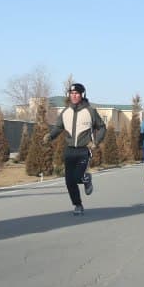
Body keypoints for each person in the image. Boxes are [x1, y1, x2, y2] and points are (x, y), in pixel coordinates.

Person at [47, 82, 106, 216]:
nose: (74, 96)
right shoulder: (65, 112)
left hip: (84, 150)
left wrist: (96, 142)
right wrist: (50, 136)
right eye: (72, 93)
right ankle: (78, 205)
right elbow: (58, 127)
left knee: (77, 176)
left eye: (77, 93)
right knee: (69, 181)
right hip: (69, 150)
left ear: (82, 95)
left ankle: (86, 178)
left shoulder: (90, 111)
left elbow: (102, 127)